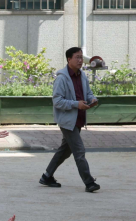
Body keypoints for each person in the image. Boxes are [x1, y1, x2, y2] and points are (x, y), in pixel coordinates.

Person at [40, 47, 100, 193]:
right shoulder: (61, 78)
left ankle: (46, 176)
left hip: (78, 118)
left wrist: (92, 99)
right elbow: (57, 101)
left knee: (65, 151)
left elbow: (88, 93)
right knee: (79, 150)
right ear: (69, 59)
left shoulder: (82, 76)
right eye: (77, 57)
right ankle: (89, 182)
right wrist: (76, 104)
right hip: (67, 121)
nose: (80, 60)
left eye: (81, 57)